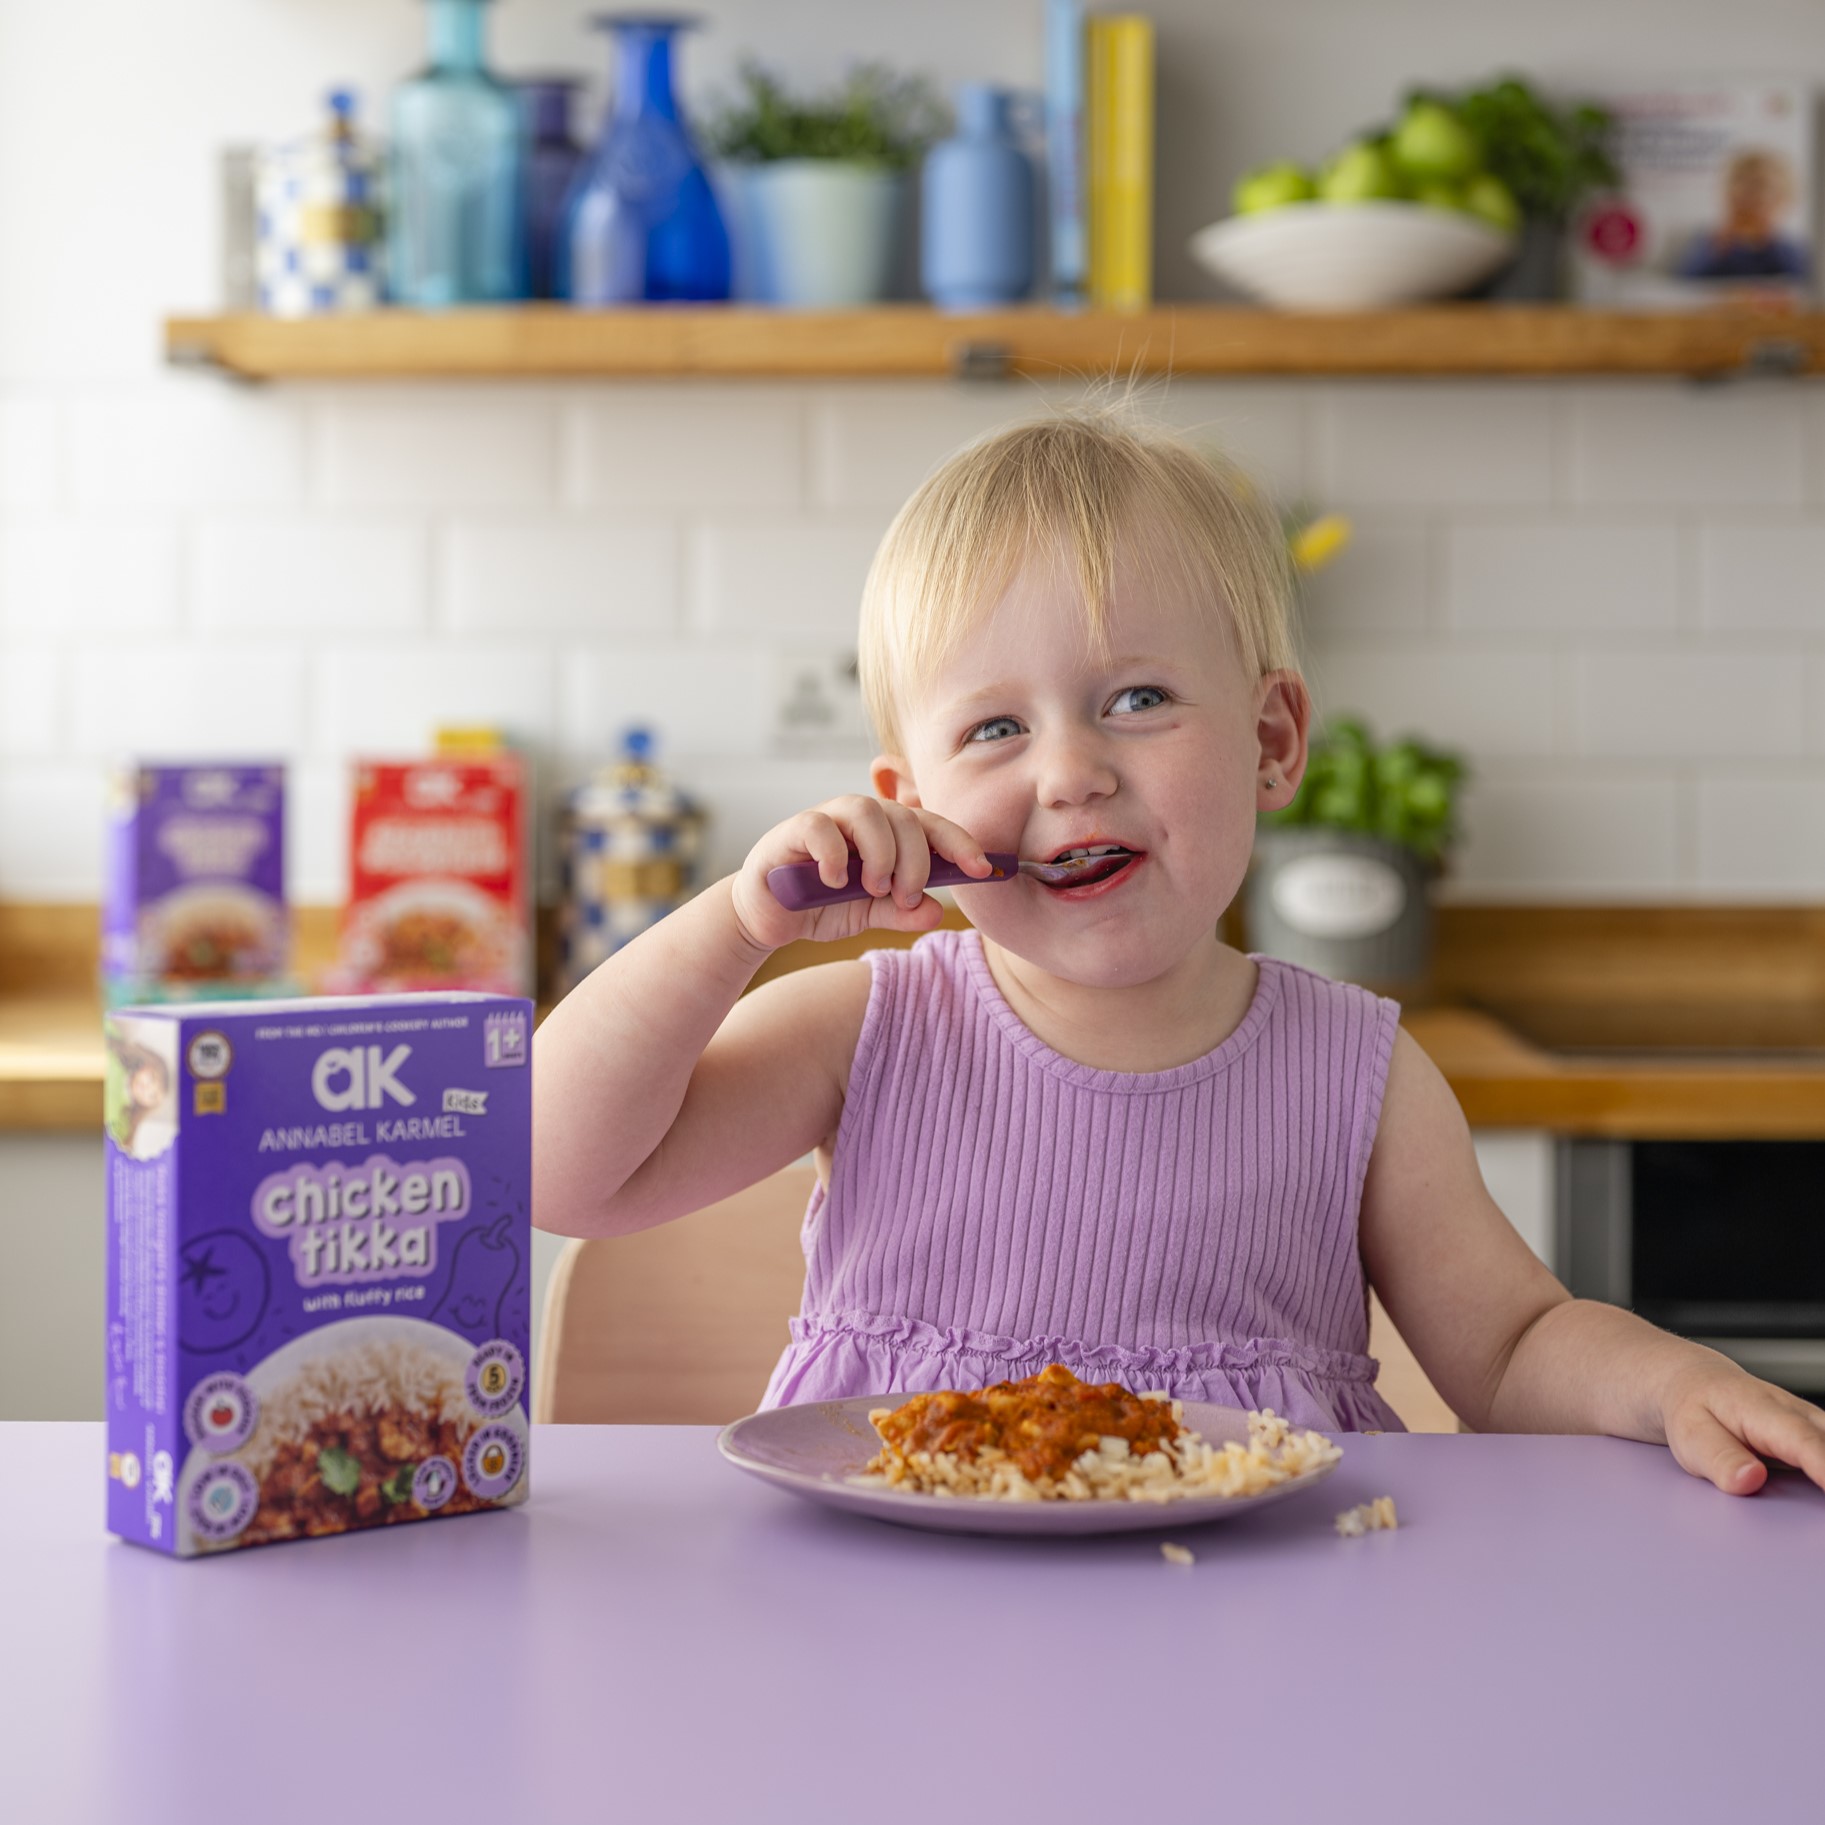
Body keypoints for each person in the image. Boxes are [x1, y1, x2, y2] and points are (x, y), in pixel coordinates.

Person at [534, 409, 1825, 1497]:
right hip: (886, 1641)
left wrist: (1670, 1381)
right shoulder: (865, 1029)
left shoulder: (1358, 1077)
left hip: (1254, 1646)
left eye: (1137, 699)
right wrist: (736, 923)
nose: (1071, 771)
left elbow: (1513, 1346)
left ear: (1271, 741)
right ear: (911, 803)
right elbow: (554, 1169)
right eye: (993, 729)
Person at [1676, 147, 1809, 282]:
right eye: (1744, 187)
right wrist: (1719, 247)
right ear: (1729, 196)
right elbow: (1684, 281)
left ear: (1781, 200)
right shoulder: (1707, 242)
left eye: (1761, 187)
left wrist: (1770, 240)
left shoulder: (1788, 249)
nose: (1752, 198)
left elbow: (1801, 281)